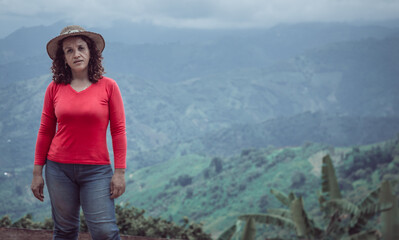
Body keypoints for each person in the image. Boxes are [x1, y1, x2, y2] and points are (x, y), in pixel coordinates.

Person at [30, 25, 127, 240]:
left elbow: (118, 130)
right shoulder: (54, 88)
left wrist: (119, 172)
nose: (76, 54)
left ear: (91, 52)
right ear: (63, 58)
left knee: (104, 232)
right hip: (58, 170)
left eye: (81, 48)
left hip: (97, 172)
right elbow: (45, 131)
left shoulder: (109, 87)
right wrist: (37, 173)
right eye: (69, 50)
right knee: (64, 231)